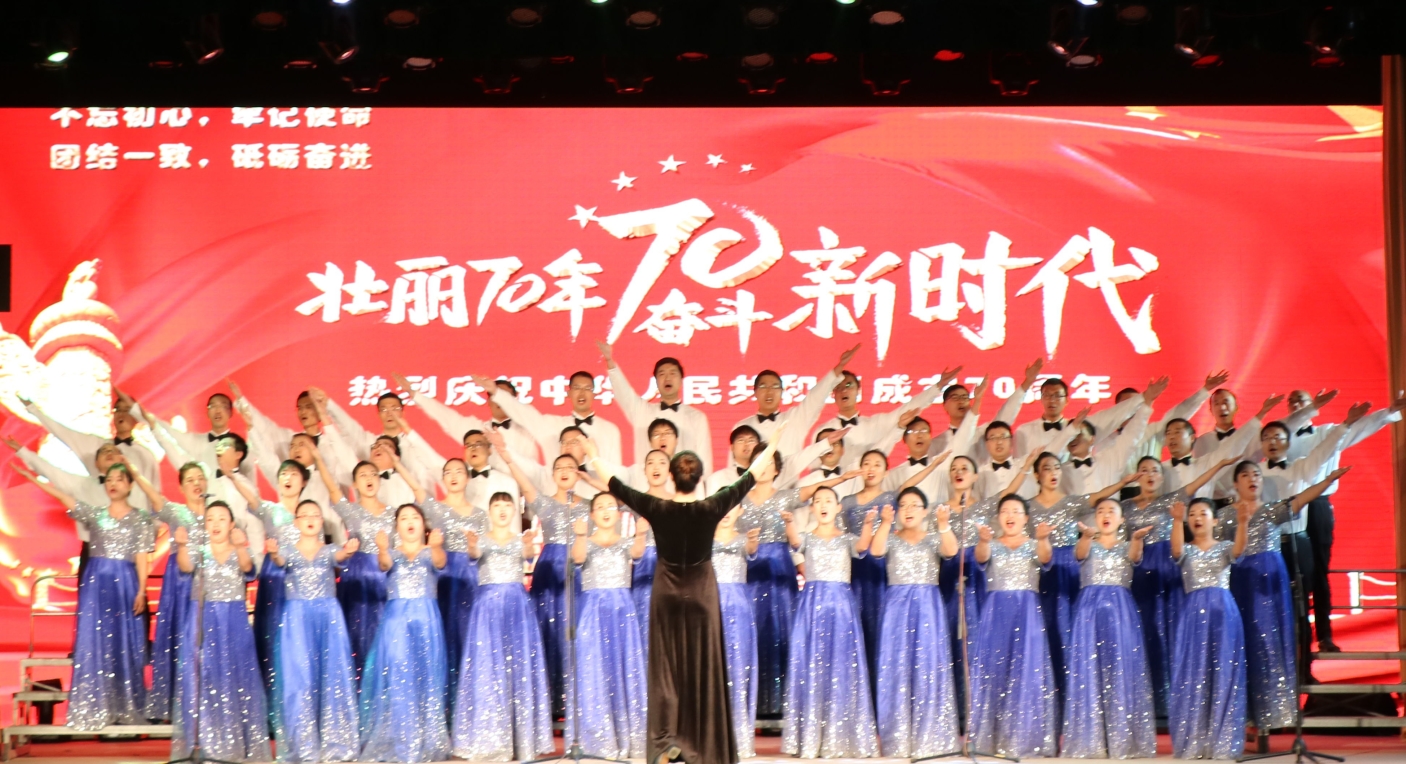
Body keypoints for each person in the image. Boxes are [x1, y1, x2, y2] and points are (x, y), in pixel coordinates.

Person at [585, 430, 783, 764]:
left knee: (666, 670)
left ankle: (666, 742)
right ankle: (702, 745)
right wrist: (773, 444)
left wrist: (593, 454)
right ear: (700, 479)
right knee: (704, 667)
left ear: (672, 477)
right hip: (702, 593)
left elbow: (615, 484)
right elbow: (750, 477)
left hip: (666, 593)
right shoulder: (712, 506)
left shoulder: (657, 507)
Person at [16, 462, 153, 730]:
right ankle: (96, 707)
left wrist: (141, 590)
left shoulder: (141, 519)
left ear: (129, 485)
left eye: (119, 479)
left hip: (125, 583)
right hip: (96, 585)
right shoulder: (96, 514)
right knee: (96, 641)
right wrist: (32, 478)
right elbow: (63, 496)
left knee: (124, 643)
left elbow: (141, 558)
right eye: (109, 479)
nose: (113, 483)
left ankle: (125, 706)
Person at [1218, 463, 1348, 732]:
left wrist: (1328, 481)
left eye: (1256, 474)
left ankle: (1272, 712)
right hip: (1241, 581)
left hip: (1270, 582)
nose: (1253, 479)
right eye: (1245, 475)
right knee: (1244, 643)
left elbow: (1303, 498)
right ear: (1235, 484)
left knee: (1270, 642)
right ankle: (1244, 714)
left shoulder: (1272, 510)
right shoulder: (1225, 516)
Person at [1005, 450, 1136, 700]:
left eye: (1057, 467)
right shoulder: (1027, 507)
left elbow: (1098, 497)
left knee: (1069, 622)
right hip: (1040, 564)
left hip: (1069, 566)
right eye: (1047, 468)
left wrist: (1123, 482)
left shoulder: (1071, 502)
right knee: (1044, 624)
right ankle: (1047, 687)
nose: (1053, 472)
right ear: (1037, 475)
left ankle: (1072, 688)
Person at [1282, 391, 1402, 652]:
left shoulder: (1329, 432)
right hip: (1291, 507)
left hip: (1319, 505)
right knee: (1293, 574)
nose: (1296, 405)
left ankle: (1324, 636)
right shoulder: (1280, 437)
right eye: (1291, 402)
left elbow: (1360, 427)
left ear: (1313, 406)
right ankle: (1295, 639)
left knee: (1320, 571)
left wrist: (1390, 411)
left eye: (1301, 401)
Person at [1122, 454, 1236, 717]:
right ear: (1136, 476)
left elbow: (1197, 484)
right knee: (1145, 627)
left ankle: (1174, 698)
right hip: (1139, 568)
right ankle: (1148, 700)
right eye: (1143, 470)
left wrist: (1219, 464)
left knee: (1172, 626)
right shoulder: (1125, 506)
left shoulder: (1171, 501)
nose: (1150, 474)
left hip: (1169, 567)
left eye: (1155, 470)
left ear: (1162, 477)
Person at [450, 491, 554, 762]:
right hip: (487, 609)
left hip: (517, 607)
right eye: (497, 505)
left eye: (507, 505)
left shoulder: (521, 539)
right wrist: (471, 544)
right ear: (490, 511)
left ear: (514, 511)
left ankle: (520, 739)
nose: (502, 509)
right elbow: (474, 554)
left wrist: (529, 545)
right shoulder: (481, 539)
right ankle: (491, 738)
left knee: (519, 668)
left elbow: (528, 554)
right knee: (489, 667)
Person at [779, 488, 881, 759]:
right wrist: (789, 523)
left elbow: (862, 547)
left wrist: (868, 525)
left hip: (841, 608)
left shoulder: (846, 538)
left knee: (841, 665)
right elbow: (794, 542)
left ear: (838, 507)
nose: (823, 505)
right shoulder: (808, 537)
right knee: (812, 665)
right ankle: (811, 737)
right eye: (818, 501)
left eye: (828, 501)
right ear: (812, 508)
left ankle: (841, 736)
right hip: (812, 607)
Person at [495, 431, 589, 719]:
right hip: (548, 571)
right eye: (559, 467)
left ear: (579, 473)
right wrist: (507, 456)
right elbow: (524, 482)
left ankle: (578, 701)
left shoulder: (590, 506)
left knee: (576, 632)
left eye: (570, 467)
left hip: (579, 571)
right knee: (548, 630)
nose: (564, 471)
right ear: (552, 474)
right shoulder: (545, 503)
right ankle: (549, 703)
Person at [169, 507, 270, 762]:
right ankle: (203, 742)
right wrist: (182, 545)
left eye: (222, 519)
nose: (215, 524)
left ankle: (234, 743)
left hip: (233, 620)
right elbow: (185, 566)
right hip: (202, 617)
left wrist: (241, 546)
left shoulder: (239, 548)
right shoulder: (198, 550)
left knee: (236, 678)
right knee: (203, 678)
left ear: (232, 524)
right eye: (210, 519)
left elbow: (248, 568)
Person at [1061, 499, 1156, 759]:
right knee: (1089, 670)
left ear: (1122, 519)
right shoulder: (1087, 543)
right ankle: (1090, 740)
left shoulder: (1128, 545)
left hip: (1120, 611)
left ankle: (1122, 740)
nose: (1105, 515)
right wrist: (1085, 536)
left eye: (1111, 511)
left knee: (1121, 668)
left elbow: (1135, 556)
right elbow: (1080, 555)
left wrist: (1136, 539)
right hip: (1089, 612)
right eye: (1100, 511)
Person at [266, 501, 360, 763]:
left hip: (328, 616)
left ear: (322, 522)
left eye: (315, 515)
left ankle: (335, 743)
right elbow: (280, 560)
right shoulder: (288, 550)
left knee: (331, 675)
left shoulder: (329, 550)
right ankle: (303, 745)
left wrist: (348, 552)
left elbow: (340, 557)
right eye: (304, 515)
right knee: (300, 677)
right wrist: (273, 554)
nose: (310, 519)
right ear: (296, 522)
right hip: (297, 618)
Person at [869, 489, 960, 758]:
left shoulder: (934, 537)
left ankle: (930, 737)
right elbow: (876, 550)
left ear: (925, 511)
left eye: (914, 505)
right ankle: (897, 738)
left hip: (927, 606)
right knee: (897, 667)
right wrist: (885, 523)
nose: (908, 510)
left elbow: (952, 551)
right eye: (903, 505)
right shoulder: (892, 538)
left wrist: (943, 525)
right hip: (897, 606)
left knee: (928, 666)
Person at [323, 451, 427, 682]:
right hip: (357, 575)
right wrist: (317, 457)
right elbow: (332, 489)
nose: (369, 478)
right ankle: (359, 682)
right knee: (356, 628)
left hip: (385, 572)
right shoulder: (351, 510)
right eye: (363, 475)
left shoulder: (394, 513)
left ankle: (385, 681)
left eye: (373, 474)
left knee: (386, 627)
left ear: (379, 480)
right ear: (355, 483)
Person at [358, 507, 451, 762]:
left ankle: (426, 737)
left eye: (415, 517)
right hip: (396, 622)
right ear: (396, 526)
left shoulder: (431, 550)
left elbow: (440, 563)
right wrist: (382, 548)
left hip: (426, 620)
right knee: (398, 675)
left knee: (427, 675)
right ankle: (399, 738)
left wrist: (436, 546)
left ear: (423, 524)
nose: (410, 522)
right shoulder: (392, 553)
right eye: (403, 518)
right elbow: (384, 564)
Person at [969, 495, 1057, 758]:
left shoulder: (1034, 543)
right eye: (1005, 511)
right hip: (996, 612)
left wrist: (1043, 539)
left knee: (1026, 668)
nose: (1010, 515)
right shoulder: (991, 544)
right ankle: (991, 738)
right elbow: (981, 558)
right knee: (994, 670)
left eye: (1016, 511)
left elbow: (1046, 558)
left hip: (1026, 612)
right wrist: (983, 541)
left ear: (1026, 518)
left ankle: (1024, 738)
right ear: (998, 517)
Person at [566, 493, 650, 759]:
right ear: (592, 515)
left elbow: (638, 553)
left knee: (623, 668)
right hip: (593, 611)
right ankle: (597, 741)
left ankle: (627, 738)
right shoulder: (585, 540)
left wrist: (641, 534)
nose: (605, 511)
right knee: (594, 670)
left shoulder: (625, 542)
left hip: (622, 611)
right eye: (599, 507)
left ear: (618, 513)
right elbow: (577, 559)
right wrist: (580, 536)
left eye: (610, 507)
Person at [1169, 498, 1249, 760]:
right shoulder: (1186, 550)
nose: (1197, 518)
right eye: (1192, 514)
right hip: (1193, 614)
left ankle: (1222, 740)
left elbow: (1238, 551)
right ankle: (1195, 740)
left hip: (1223, 613)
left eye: (1203, 513)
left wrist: (1243, 523)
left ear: (1215, 520)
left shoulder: (1224, 546)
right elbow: (1176, 551)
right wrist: (1176, 520)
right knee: (1195, 673)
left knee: (1224, 672)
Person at [131, 464, 210, 723]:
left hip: (209, 579)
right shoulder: (176, 511)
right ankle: (175, 704)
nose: (196, 483)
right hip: (180, 583)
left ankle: (206, 703)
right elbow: (153, 496)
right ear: (181, 486)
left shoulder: (216, 513)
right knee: (178, 636)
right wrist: (133, 471)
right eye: (190, 479)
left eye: (200, 478)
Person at [230, 461, 309, 689]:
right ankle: (272, 686)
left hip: (301, 575)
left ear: (303, 482)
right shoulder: (271, 510)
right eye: (283, 473)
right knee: (273, 628)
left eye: (293, 474)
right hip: (275, 575)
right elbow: (252, 497)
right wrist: (232, 475)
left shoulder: (310, 512)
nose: (288, 478)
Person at [423, 458, 488, 706]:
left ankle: (468, 700)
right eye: (448, 472)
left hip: (470, 579)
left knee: (468, 633)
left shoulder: (480, 515)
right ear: (442, 478)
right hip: (443, 576)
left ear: (467, 477)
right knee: (442, 632)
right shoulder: (435, 509)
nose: (453, 476)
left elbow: (483, 551)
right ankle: (442, 699)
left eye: (459, 471)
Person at [599, 342, 715, 473]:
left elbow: (704, 460)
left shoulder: (697, 417)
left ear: (681, 380)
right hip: (647, 482)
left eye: (673, 373)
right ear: (656, 381)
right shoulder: (643, 412)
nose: (667, 378)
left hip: (685, 484)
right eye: (662, 374)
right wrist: (610, 361)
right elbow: (623, 393)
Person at [730, 344, 858, 459]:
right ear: (755, 392)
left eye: (775, 387)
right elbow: (734, 467)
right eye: (764, 386)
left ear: (782, 392)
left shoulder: (795, 419)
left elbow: (816, 397)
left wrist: (839, 366)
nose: (769, 391)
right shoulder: (742, 427)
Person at [480, 369, 622, 467]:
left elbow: (616, 470)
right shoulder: (552, 425)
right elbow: (525, 414)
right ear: (569, 393)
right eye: (577, 388)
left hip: (597, 496)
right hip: (558, 496)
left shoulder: (610, 429)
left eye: (587, 389)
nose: (582, 393)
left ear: (594, 394)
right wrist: (496, 392)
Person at [712, 507, 761, 759]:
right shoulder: (703, 539)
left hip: (738, 607)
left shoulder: (744, 539)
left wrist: (752, 541)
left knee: (738, 667)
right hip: (709, 603)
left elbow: (751, 550)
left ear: (739, 511)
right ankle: (708, 735)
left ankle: (738, 737)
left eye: (731, 507)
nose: (726, 512)